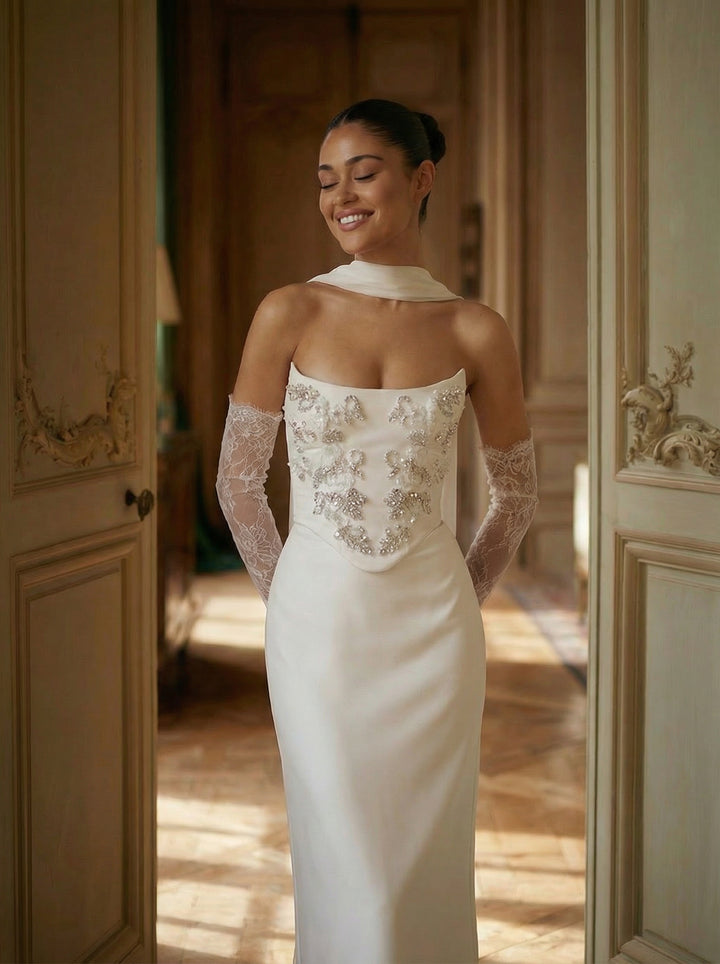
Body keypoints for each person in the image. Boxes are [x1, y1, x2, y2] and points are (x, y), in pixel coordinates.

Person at [216, 99, 538, 964]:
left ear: (421, 178)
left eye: (364, 174)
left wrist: (458, 599)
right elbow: (238, 483)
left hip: (435, 637)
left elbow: (516, 496)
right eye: (327, 181)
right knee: (344, 861)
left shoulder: (475, 328)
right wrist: (293, 599)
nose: (341, 197)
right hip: (318, 632)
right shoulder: (288, 311)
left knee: (419, 865)